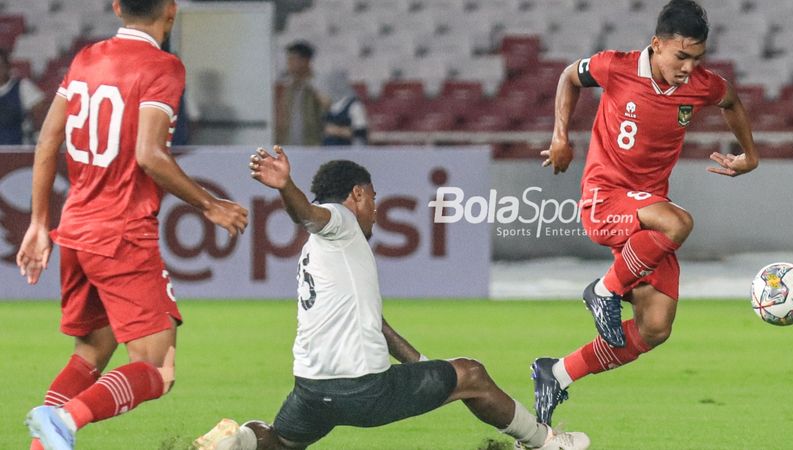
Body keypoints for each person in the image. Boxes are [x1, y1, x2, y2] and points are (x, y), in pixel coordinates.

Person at [193, 148, 589, 450]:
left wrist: (419, 364)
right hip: (362, 389)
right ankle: (546, 442)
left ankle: (242, 439)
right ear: (358, 193)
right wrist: (285, 188)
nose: (377, 212)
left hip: (311, 390)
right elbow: (309, 214)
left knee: (277, 442)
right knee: (471, 375)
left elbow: (376, 325)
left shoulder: (319, 252)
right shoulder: (341, 221)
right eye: (375, 200)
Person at [16, 1, 249, 449]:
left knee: (92, 352)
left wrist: (39, 222)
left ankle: (42, 445)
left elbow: (48, 138)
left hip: (77, 229)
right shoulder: (163, 67)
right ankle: (65, 421)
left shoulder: (86, 58)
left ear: (118, 7)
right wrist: (209, 203)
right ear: (172, 11)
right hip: (121, 234)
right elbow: (149, 154)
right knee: (158, 369)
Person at [532, 0, 759, 425]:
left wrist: (750, 155)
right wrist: (561, 136)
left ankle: (556, 373)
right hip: (605, 198)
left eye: (697, 58)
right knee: (679, 222)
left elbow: (731, 101)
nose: (689, 67)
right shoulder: (615, 66)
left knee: (655, 327)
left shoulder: (701, 85)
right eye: (681, 56)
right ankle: (604, 291)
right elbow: (568, 76)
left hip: (645, 214)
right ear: (657, 45)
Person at [275, 41, 325, 146]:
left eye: (292, 59)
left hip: (313, 145)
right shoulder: (289, 89)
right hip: (289, 145)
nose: (289, 63)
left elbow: (325, 111)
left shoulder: (317, 86)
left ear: (305, 61)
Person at [0, 49, 45, 145]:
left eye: (0, 66)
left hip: (17, 150)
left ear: (8, 68)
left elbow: (42, 115)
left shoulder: (23, 87)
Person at [321, 70, 368, 146]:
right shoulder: (328, 106)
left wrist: (336, 131)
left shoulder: (354, 105)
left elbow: (361, 133)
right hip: (328, 152)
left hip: (347, 151)